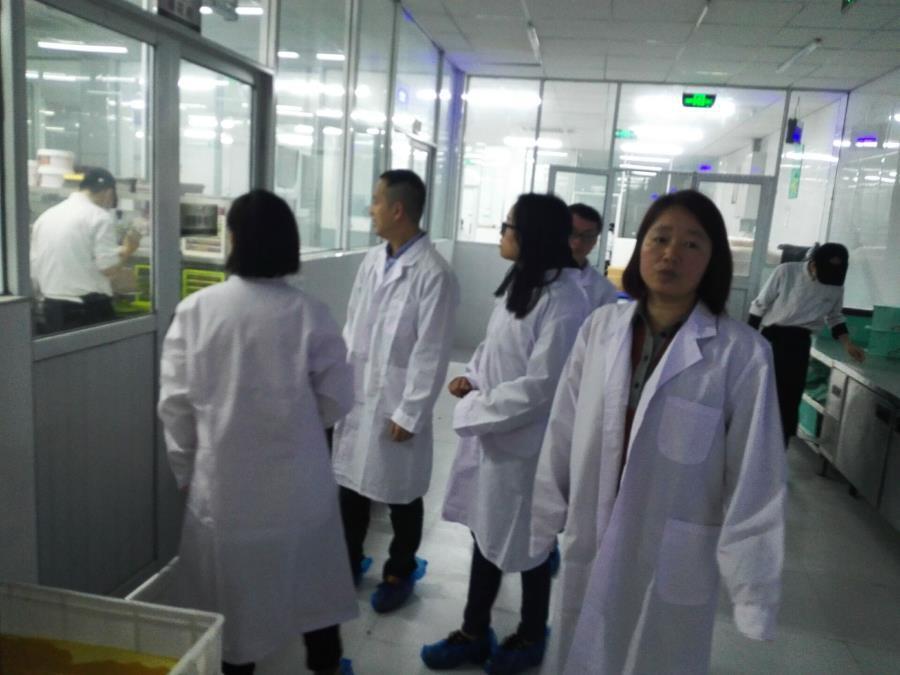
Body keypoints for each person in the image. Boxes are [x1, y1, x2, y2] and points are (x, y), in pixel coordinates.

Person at [530, 190, 786, 674]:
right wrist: (542, 521)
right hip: (593, 528)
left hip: (671, 549)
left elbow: (757, 478)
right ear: (640, 247)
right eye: (659, 238)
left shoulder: (742, 354)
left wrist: (754, 592)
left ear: (712, 260)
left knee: (656, 657)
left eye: (692, 244)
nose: (671, 254)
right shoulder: (600, 329)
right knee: (580, 648)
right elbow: (562, 431)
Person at [158, 190, 356, 675]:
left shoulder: (197, 311)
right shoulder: (310, 313)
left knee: (233, 608)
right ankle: (327, 666)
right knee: (314, 592)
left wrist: (185, 470)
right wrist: (295, 423)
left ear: (233, 240)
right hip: (298, 487)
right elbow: (337, 398)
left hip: (225, 491)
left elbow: (175, 406)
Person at [421, 193, 590, 675]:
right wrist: (472, 377)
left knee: (531, 545)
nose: (502, 233)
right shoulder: (524, 283)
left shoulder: (564, 301)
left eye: (507, 225)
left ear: (530, 234)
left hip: (528, 448)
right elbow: (494, 349)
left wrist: (475, 407)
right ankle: (475, 632)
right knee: (486, 534)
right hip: (497, 438)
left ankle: (532, 635)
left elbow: (540, 388)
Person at [332, 169, 459, 613]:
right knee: (350, 486)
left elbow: (432, 351)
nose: (371, 209)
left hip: (397, 401)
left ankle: (399, 570)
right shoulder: (372, 261)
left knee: (401, 494)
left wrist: (411, 412)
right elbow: (352, 327)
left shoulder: (434, 274)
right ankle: (348, 562)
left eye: (376, 201)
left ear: (397, 209)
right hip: (358, 394)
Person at [748, 242, 865, 445]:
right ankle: (753, 440)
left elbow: (835, 317)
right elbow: (760, 305)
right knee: (764, 392)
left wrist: (848, 344)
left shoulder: (835, 284)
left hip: (800, 343)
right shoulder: (787, 272)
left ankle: (780, 446)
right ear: (813, 263)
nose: (828, 279)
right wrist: (749, 341)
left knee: (790, 397)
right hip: (773, 338)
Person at [30, 167, 141, 333]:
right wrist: (129, 250)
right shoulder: (99, 216)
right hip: (86, 310)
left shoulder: (46, 217)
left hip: (51, 307)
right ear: (109, 193)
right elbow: (108, 269)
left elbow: (36, 265)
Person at [569, 203, 618, 309]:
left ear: (595, 241)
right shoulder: (536, 275)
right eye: (572, 232)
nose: (578, 241)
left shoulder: (604, 291)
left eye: (587, 236)